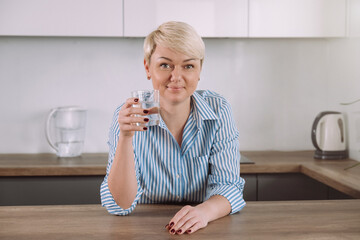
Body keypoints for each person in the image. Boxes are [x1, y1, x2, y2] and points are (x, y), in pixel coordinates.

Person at [100, 21, 246, 235]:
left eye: (188, 66)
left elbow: (229, 187)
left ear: (199, 71)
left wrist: (204, 212)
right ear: (148, 68)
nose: (176, 77)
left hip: (203, 228)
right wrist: (125, 137)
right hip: (143, 229)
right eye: (165, 65)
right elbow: (119, 206)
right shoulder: (128, 117)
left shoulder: (219, 110)